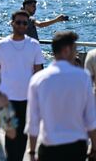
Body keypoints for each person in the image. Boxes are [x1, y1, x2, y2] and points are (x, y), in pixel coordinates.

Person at [26, 31, 96, 161]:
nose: (76, 53)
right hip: (76, 146)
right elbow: (90, 117)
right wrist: (94, 146)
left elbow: (33, 121)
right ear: (66, 50)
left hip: (49, 146)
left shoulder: (38, 79)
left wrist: (32, 152)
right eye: (75, 49)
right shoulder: (83, 77)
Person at [0, 10, 45, 161]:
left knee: (22, 135)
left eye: (25, 23)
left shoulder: (34, 45)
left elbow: (38, 72)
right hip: (7, 98)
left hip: (27, 97)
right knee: (11, 134)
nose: (22, 25)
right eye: (18, 22)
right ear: (12, 23)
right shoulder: (1, 45)